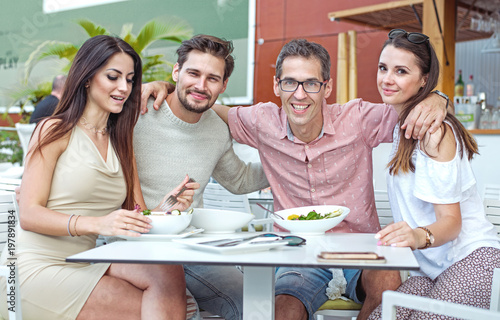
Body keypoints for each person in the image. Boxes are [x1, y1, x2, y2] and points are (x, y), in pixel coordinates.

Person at [143, 38, 448, 320]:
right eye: (290, 82)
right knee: (283, 310)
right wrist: (168, 88)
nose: (299, 94)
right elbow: (206, 105)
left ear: (326, 87)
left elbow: (414, 109)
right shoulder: (261, 121)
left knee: (387, 282)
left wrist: (439, 97)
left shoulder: (358, 119)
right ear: (277, 85)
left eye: (311, 83)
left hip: (360, 248)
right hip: (296, 253)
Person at [1, 35, 199, 320]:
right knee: (160, 308)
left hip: (84, 260)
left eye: (130, 80)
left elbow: (137, 214)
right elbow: (29, 214)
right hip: (33, 266)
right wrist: (99, 223)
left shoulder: (121, 140)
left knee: (167, 270)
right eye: (113, 77)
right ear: (86, 78)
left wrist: (170, 207)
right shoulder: (53, 131)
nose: (124, 87)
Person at [367, 29, 500, 319]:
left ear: (424, 79)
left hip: (474, 260)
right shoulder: (399, 123)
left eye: (401, 71)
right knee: (382, 316)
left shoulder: (434, 133)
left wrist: (414, 236)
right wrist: (439, 96)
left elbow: (451, 223)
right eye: (383, 68)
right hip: (433, 270)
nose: (387, 79)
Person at [135, 34, 269, 320]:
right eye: (193, 73)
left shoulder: (216, 129)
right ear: (176, 72)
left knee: (257, 305)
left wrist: (288, 165)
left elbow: (240, 180)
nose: (200, 85)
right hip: (136, 245)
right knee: (183, 311)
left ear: (223, 85)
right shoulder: (139, 113)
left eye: (212, 78)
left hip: (191, 247)